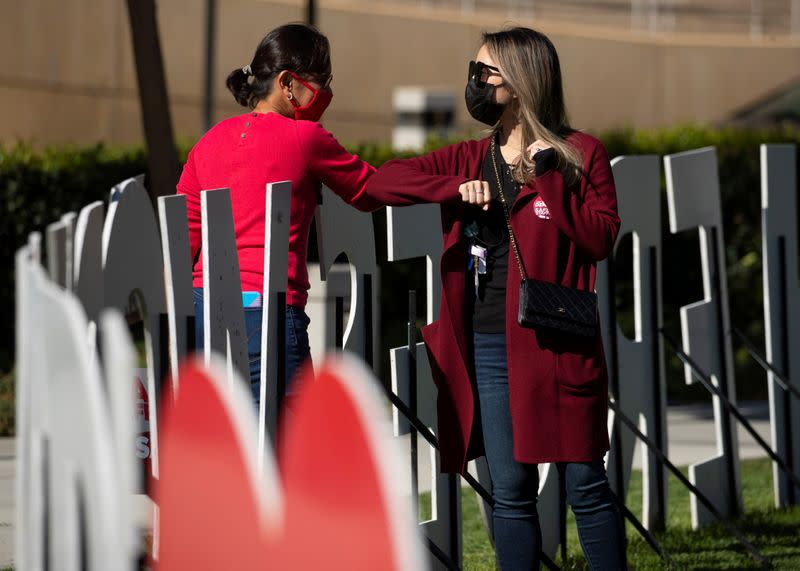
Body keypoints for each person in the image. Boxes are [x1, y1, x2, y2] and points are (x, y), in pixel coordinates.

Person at [365, 27, 627, 570]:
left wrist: (550, 179)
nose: (476, 81)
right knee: (509, 490)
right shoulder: (468, 158)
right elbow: (383, 184)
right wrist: (452, 188)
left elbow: (600, 239)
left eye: (487, 71)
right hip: (488, 341)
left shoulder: (582, 154)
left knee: (585, 483)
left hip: (558, 338)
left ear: (523, 78)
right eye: (476, 68)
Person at [177, 23, 379, 406]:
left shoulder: (207, 142)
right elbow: (370, 191)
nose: (328, 93)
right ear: (289, 82)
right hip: (266, 314)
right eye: (322, 80)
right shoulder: (305, 137)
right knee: (288, 448)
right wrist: (447, 182)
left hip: (202, 309)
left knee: (224, 446)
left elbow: (182, 242)